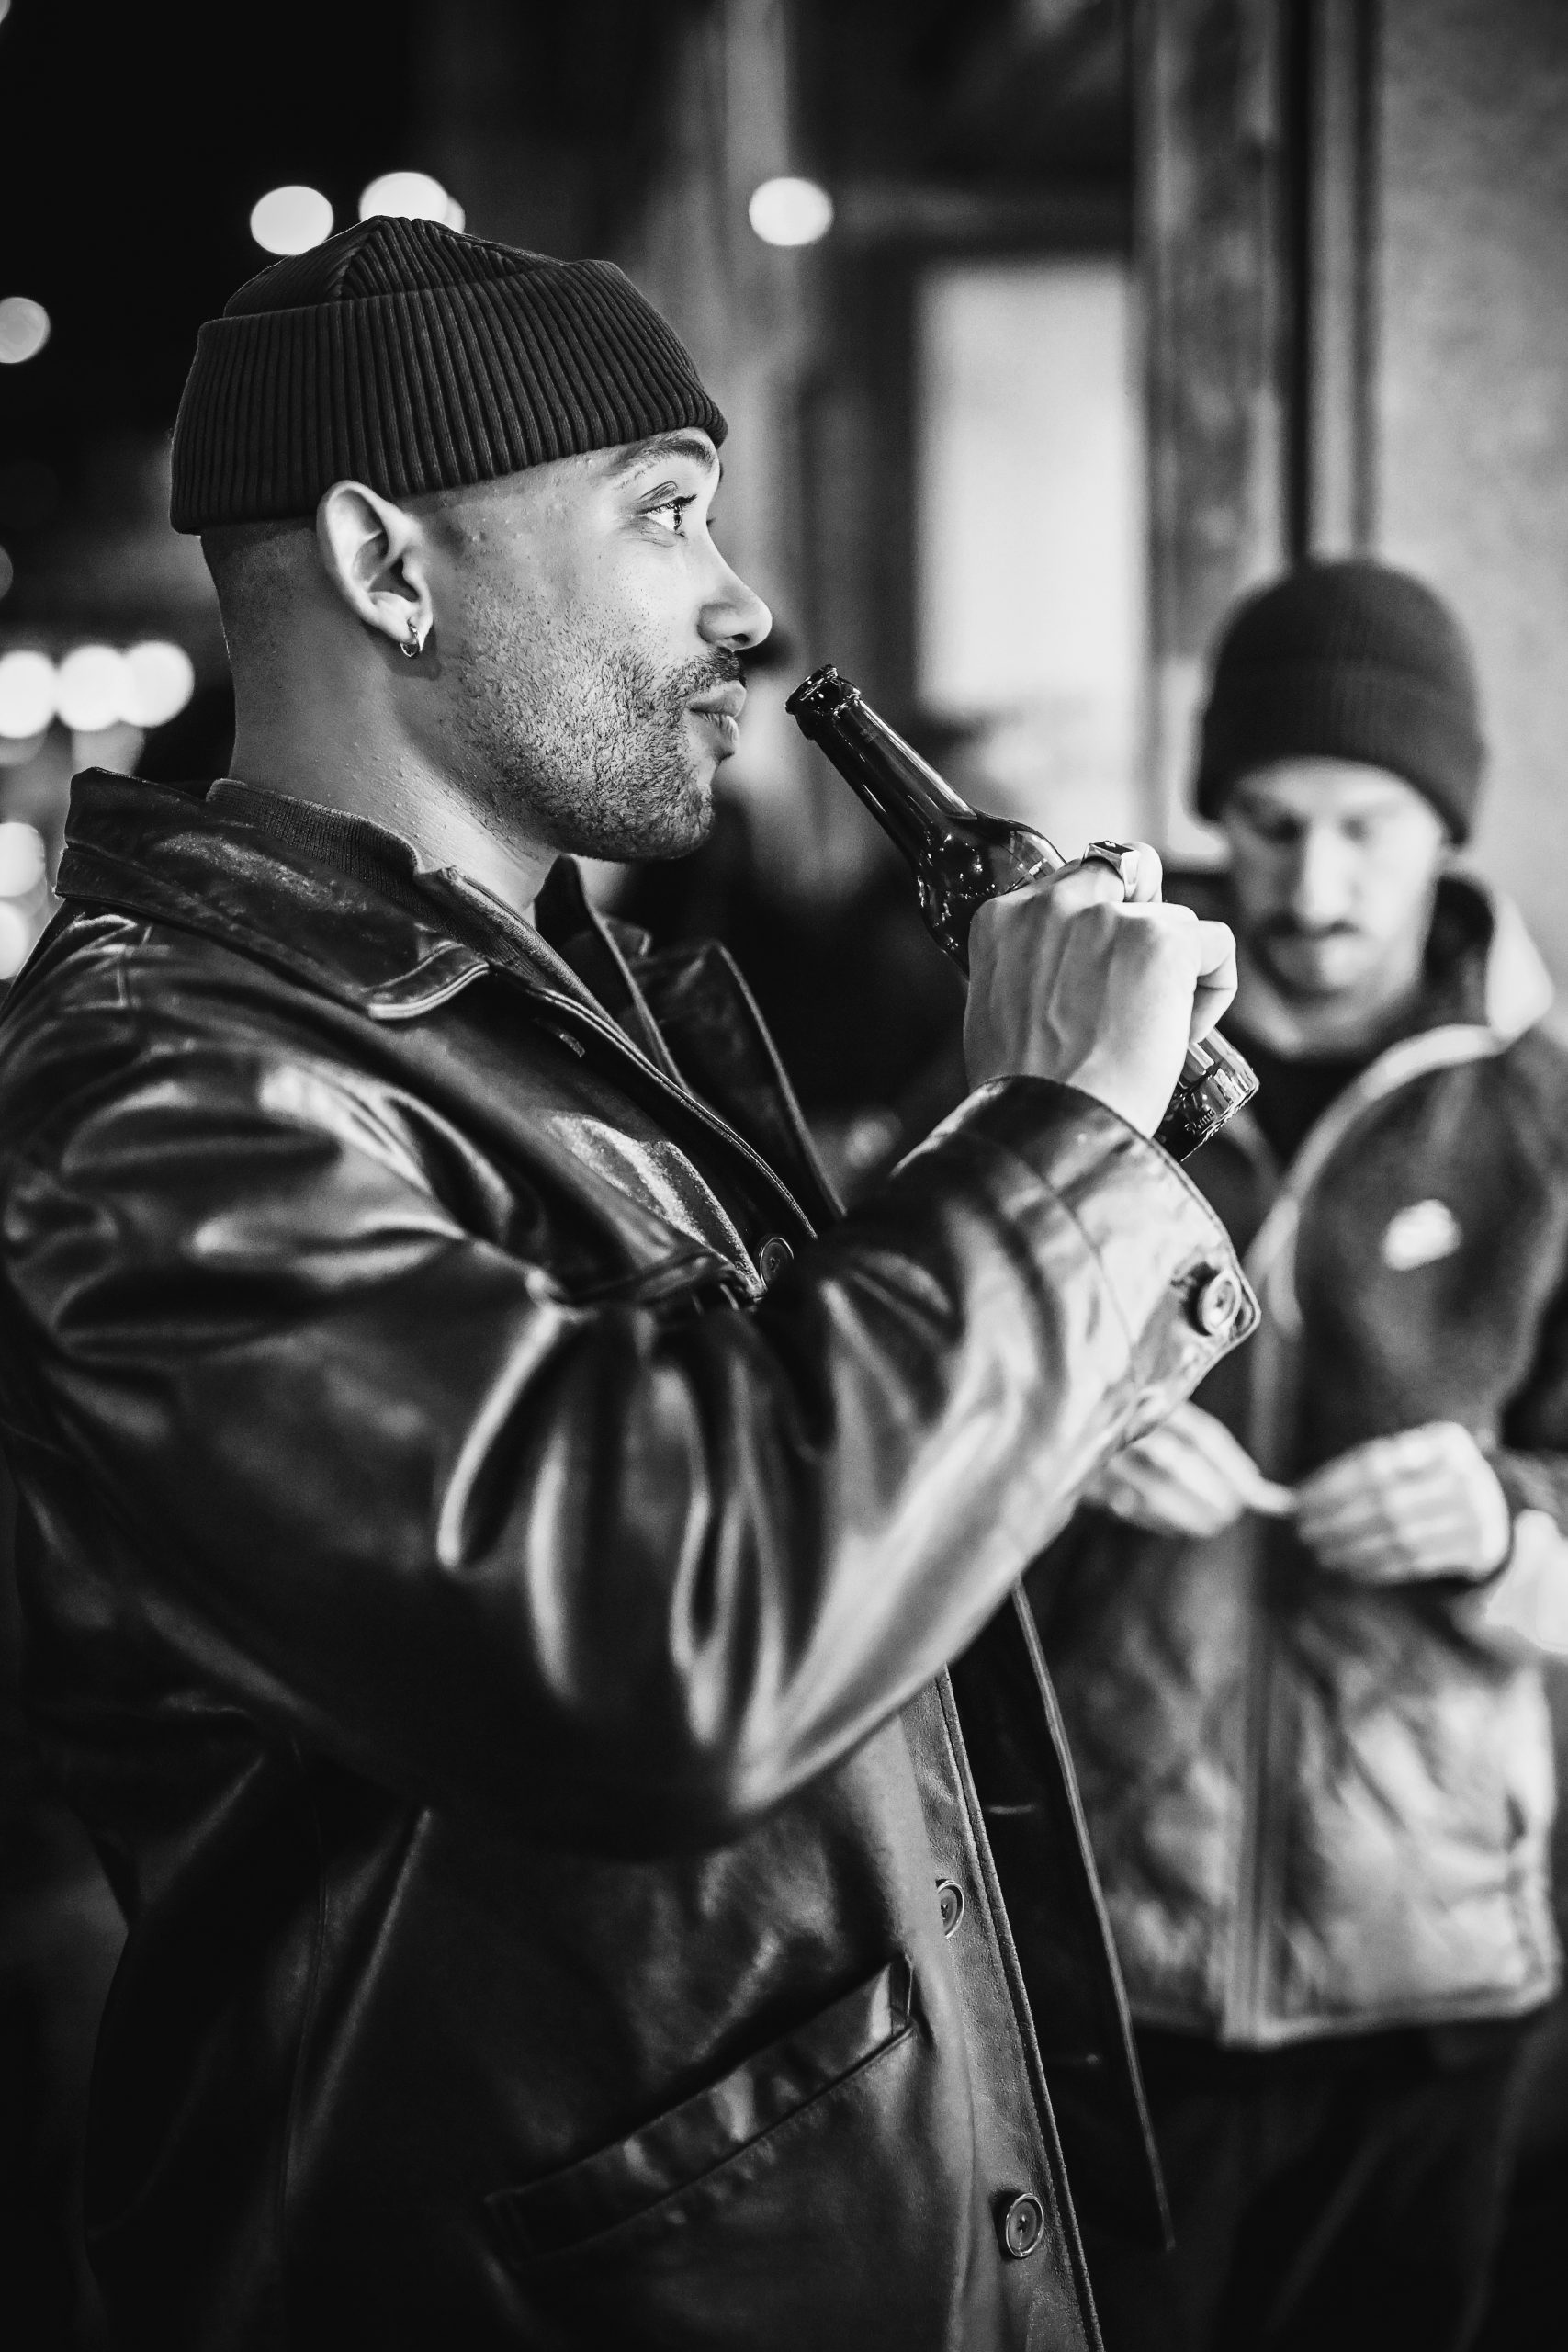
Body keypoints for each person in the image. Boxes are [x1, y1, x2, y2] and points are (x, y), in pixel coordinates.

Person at [0, 218, 1253, 2352]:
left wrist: (1077, 1165)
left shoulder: (551, 1020)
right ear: (388, 566)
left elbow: (797, 1482)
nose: (743, 601)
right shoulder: (158, 1098)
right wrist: (1051, 1145)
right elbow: (669, 1636)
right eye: (665, 513)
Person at [1032, 559, 1568, 2352]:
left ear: (1446, 826)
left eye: (1365, 827)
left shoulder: (1547, 1119)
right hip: (1112, 1956)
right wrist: (1075, 1445)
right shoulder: (1087, 1086)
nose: (1313, 887)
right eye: (1268, 824)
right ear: (1213, 817)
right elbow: (900, 1440)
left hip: (1436, 1975)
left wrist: (1499, 1527)